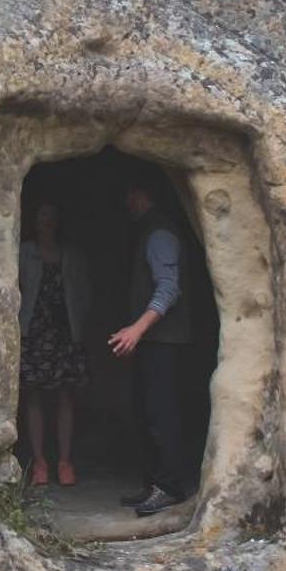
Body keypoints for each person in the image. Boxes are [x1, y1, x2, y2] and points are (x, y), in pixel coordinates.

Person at [108, 177, 193, 516]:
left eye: (129, 193)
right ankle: (156, 483)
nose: (126, 201)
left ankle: (170, 487)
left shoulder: (159, 234)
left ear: (140, 193)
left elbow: (169, 288)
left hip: (164, 342)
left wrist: (136, 330)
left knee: (162, 415)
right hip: (155, 341)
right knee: (147, 412)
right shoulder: (149, 231)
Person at [18, 200, 91, 487]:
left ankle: (64, 460)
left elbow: (84, 290)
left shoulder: (71, 254)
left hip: (64, 331)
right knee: (33, 396)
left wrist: (80, 325)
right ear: (35, 221)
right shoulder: (25, 252)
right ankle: (39, 462)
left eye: (52, 215)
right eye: (42, 215)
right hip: (34, 331)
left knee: (65, 396)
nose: (47, 220)